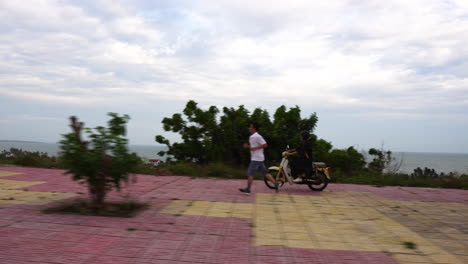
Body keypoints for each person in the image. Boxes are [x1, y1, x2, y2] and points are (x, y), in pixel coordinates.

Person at [239, 122, 279, 194]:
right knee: (265, 173)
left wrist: (255, 147)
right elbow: (253, 148)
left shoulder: (256, 136)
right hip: (259, 158)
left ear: (254, 128)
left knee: (250, 174)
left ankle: (248, 189)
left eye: (250, 127)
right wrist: (248, 147)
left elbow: (265, 145)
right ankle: (276, 183)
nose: (249, 128)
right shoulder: (253, 136)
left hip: (256, 159)